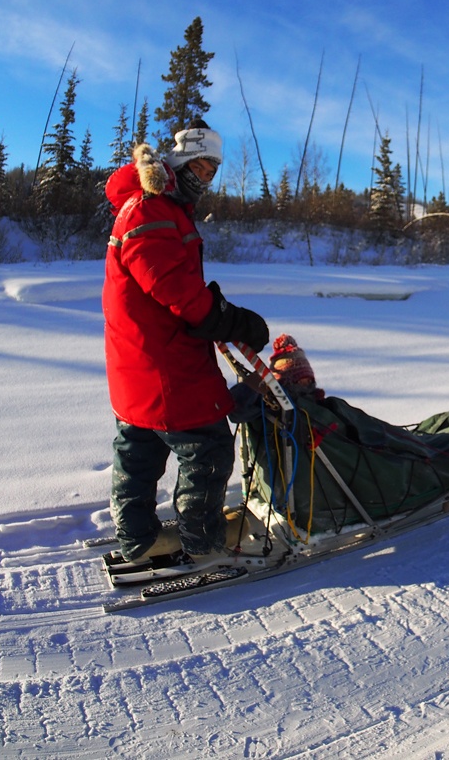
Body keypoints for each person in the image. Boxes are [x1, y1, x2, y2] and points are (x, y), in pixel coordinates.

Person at [102, 119, 269, 567]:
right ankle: (201, 540)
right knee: (208, 447)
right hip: (164, 363)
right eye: (202, 166)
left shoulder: (156, 206)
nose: (206, 179)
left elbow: (170, 285)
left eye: (214, 171)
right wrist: (228, 319)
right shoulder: (151, 210)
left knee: (140, 445)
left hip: (138, 357)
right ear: (180, 160)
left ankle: (137, 537)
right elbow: (175, 289)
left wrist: (211, 308)